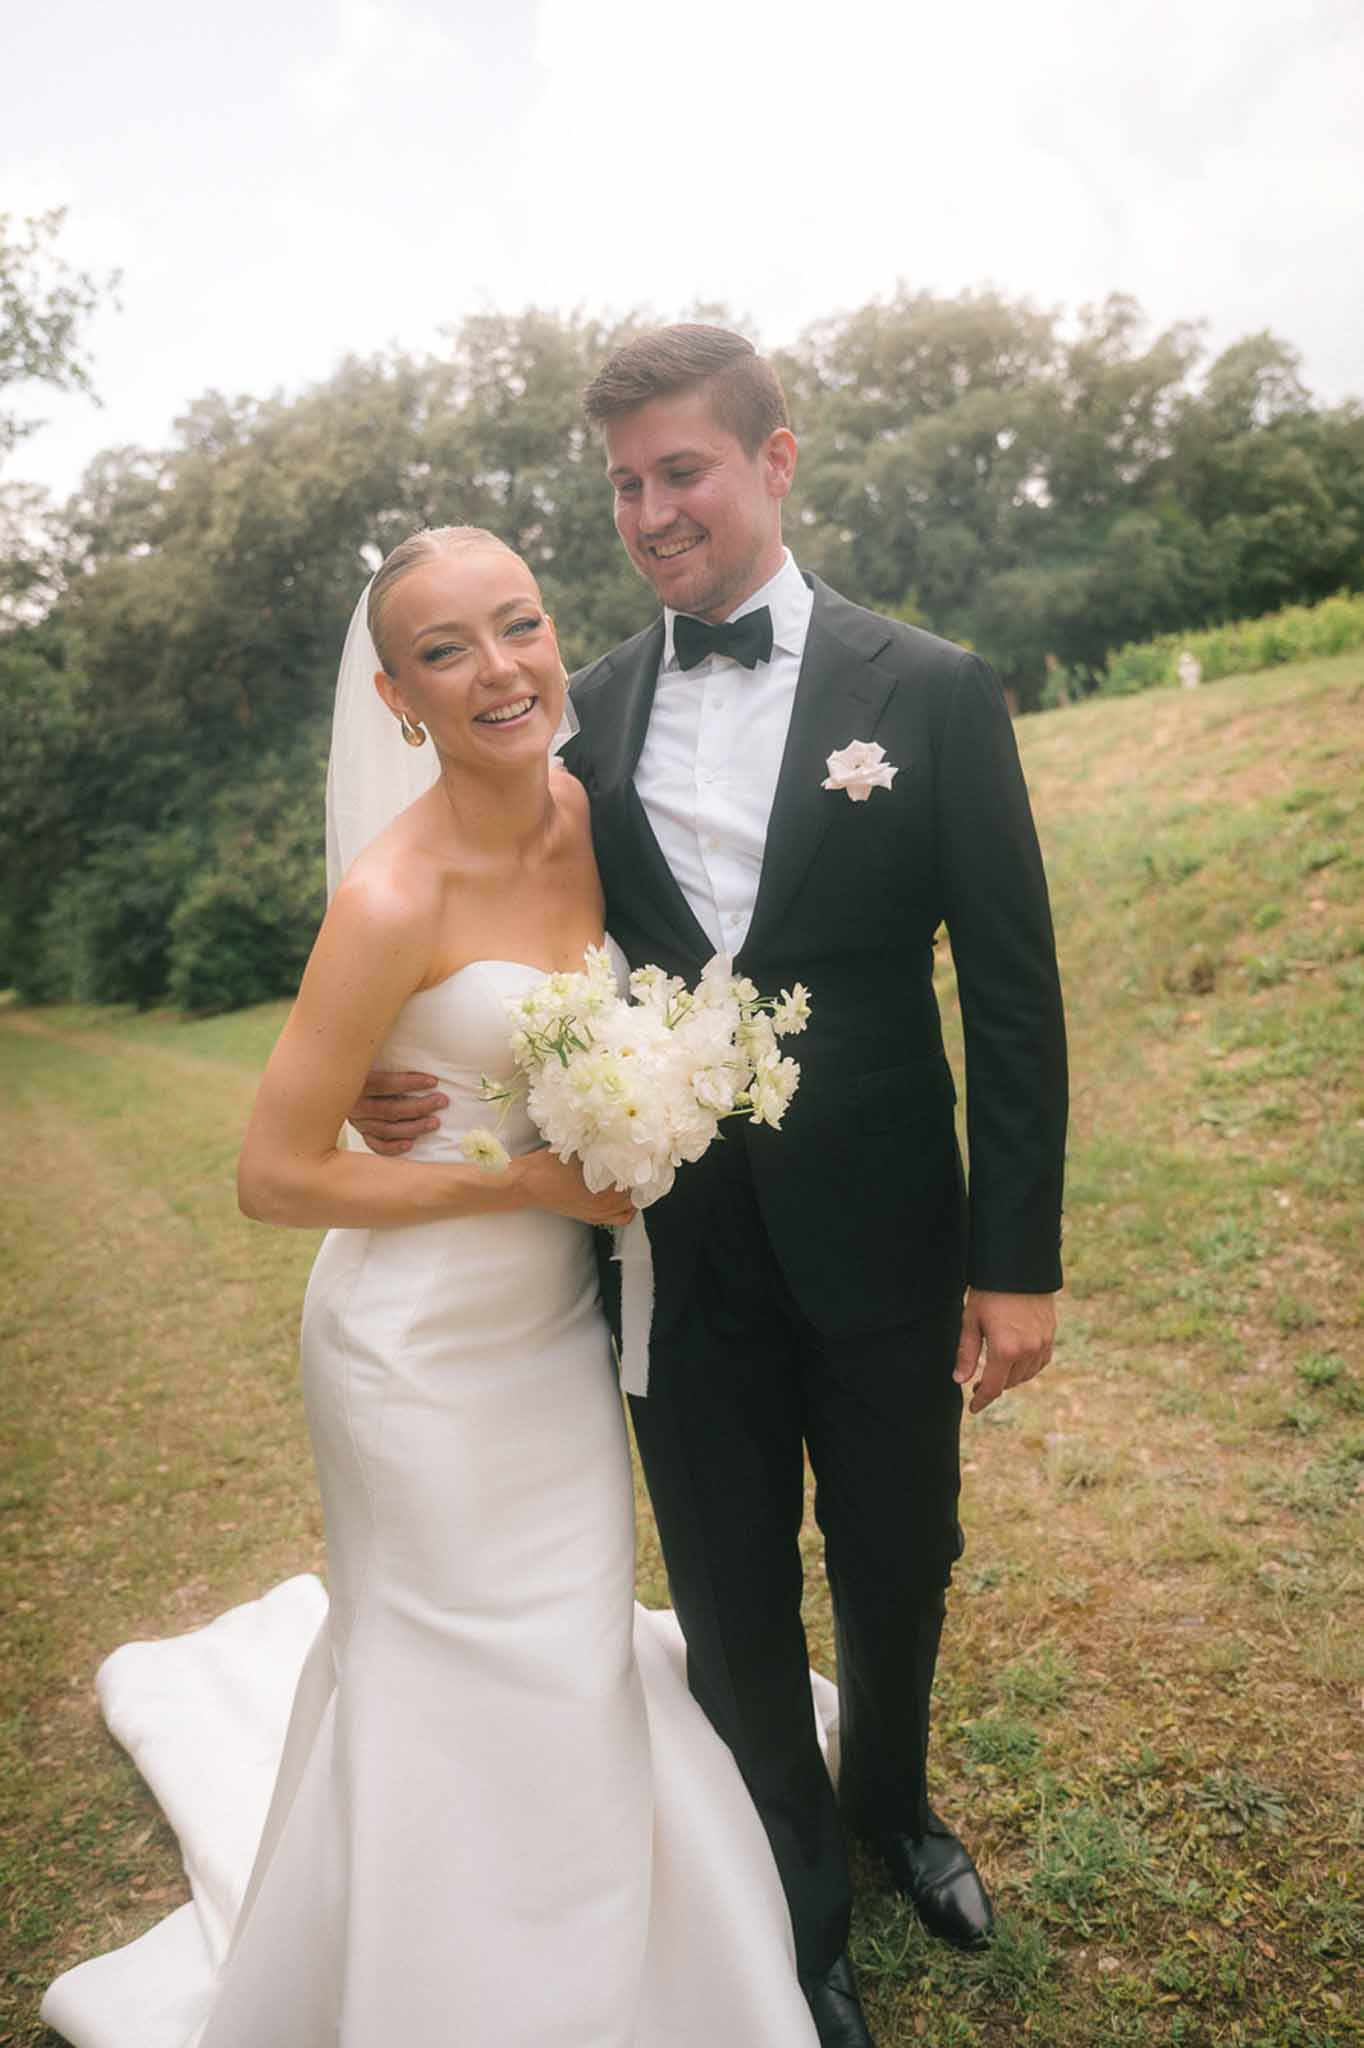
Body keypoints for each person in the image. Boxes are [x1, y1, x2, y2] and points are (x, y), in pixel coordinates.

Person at [354, 328, 1068, 2048]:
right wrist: (406, 1071)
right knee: (735, 1597)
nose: (652, 512)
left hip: (889, 1233)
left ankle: (896, 1808)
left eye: (682, 471)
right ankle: (794, 1909)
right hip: (667, 1250)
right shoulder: (573, 710)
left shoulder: (933, 690)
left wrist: (1017, 1260)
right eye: (624, 485)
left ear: (775, 460)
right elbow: (475, 907)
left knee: (901, 1554)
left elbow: (1015, 994)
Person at [41, 527, 828, 2048]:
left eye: (517, 625)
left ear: (554, 632)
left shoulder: (589, 812)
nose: (497, 669)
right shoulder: (391, 894)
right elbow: (272, 1173)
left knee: (571, 1638)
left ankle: (594, 1948)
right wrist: (517, 1184)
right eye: (444, 652)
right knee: (453, 1664)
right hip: (413, 1354)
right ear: (398, 700)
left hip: (555, 1332)